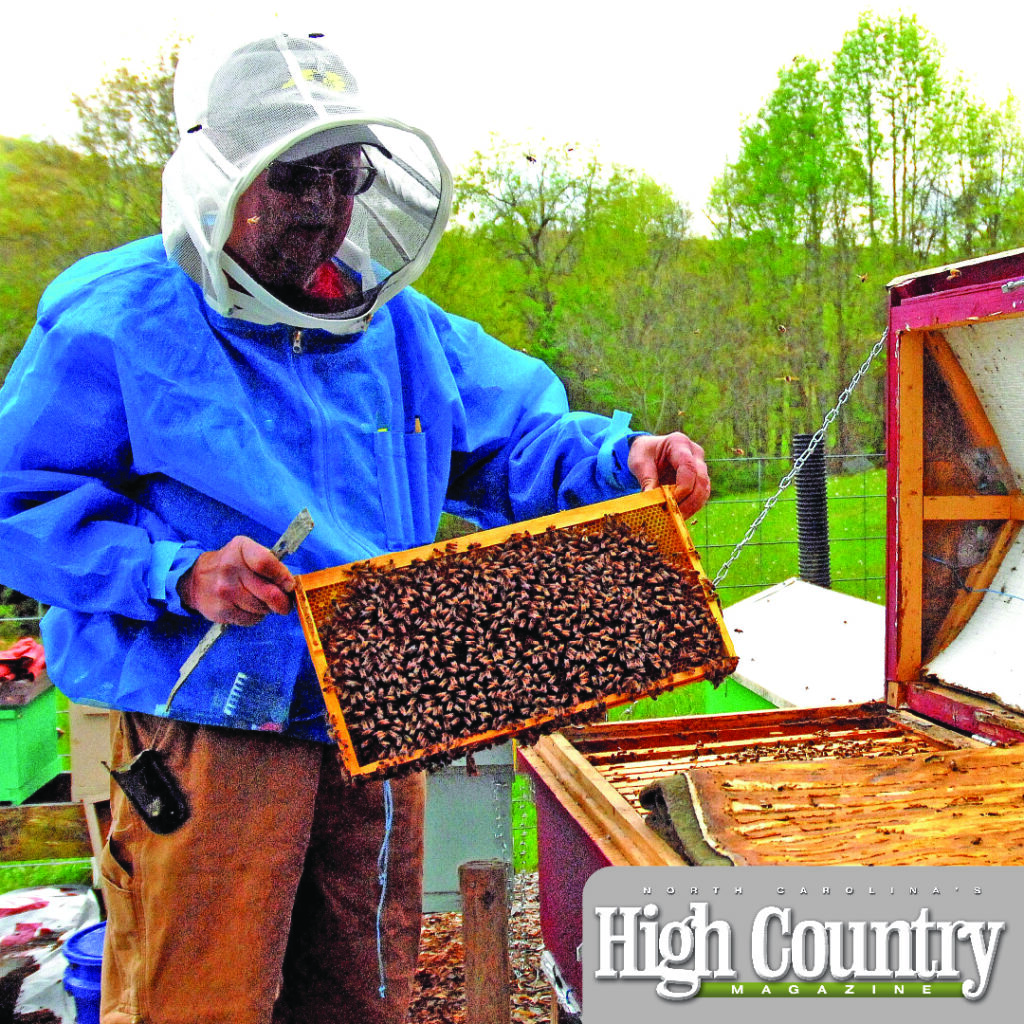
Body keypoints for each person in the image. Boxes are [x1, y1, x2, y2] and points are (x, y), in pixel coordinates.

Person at [0, 30, 710, 1024]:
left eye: (345, 177)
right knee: (203, 1002)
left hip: (377, 715)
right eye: (298, 178)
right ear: (222, 178)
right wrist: (179, 572)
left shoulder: (401, 329)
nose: (326, 209)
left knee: (361, 992)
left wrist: (619, 461)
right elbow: (20, 501)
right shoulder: (116, 317)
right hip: (208, 726)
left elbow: (517, 441)